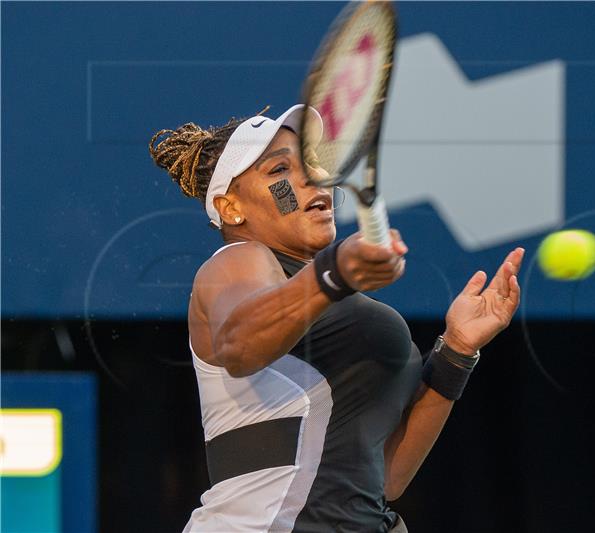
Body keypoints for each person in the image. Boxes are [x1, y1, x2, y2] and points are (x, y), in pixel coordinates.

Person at [149, 104, 524, 532]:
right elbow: (240, 345)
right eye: (279, 171)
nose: (314, 177)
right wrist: (334, 272)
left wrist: (457, 350)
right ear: (231, 208)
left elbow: (387, 475)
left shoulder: (331, 296)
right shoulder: (237, 260)